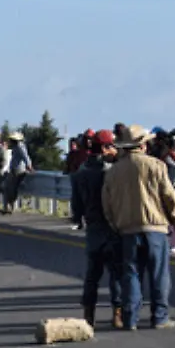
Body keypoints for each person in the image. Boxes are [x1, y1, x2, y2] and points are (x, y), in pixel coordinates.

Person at [102, 125, 175, 330]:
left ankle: (130, 318)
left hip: (127, 229)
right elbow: (169, 197)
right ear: (143, 145)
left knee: (131, 275)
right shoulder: (156, 166)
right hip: (156, 227)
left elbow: (107, 204)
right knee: (159, 274)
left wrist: (115, 224)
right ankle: (160, 317)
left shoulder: (114, 171)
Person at [71, 130, 123, 327]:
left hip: (93, 227)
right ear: (104, 148)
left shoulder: (80, 173)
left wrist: (79, 218)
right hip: (111, 225)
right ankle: (117, 313)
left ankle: (88, 314)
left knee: (92, 274)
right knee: (115, 273)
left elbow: (76, 205)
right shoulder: (110, 172)